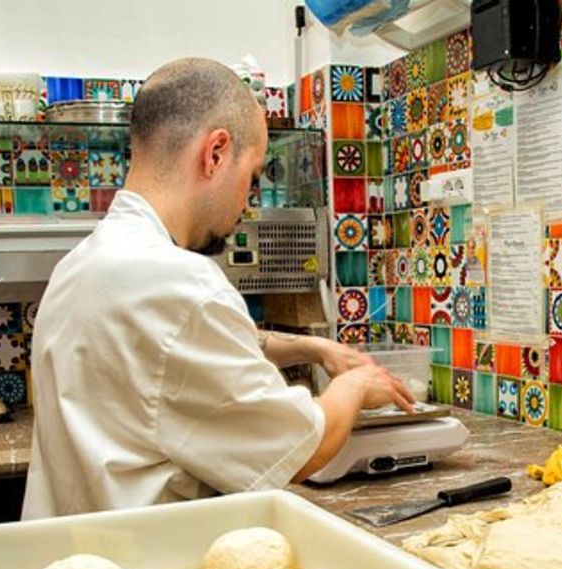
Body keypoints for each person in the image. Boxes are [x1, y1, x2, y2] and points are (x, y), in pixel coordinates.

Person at [22, 58, 414, 519]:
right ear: (215, 153)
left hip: (70, 560)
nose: (246, 205)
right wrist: (356, 384)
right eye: (251, 178)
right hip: (145, 568)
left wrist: (310, 347)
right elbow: (303, 448)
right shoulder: (181, 282)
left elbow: (169, 359)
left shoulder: (82, 264)